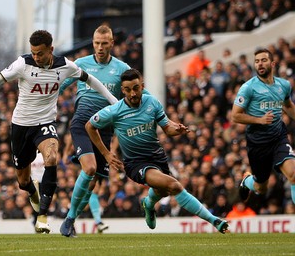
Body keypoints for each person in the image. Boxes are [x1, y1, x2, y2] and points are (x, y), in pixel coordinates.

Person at [60, 68, 229, 237]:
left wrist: (177, 130)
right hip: (136, 163)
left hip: (158, 157)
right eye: (127, 90)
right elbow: (90, 126)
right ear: (122, 91)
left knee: (162, 191)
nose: (132, 93)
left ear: (142, 86)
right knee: (174, 185)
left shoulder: (152, 102)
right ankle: (214, 220)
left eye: (135, 88)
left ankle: (148, 204)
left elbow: (167, 128)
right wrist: (106, 153)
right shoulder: (115, 111)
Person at [0, 30, 117, 233]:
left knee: (52, 158)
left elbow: (90, 80)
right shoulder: (23, 63)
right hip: (21, 125)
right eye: (33, 53)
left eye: (40, 53)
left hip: (45, 123)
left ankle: (42, 216)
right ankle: (32, 192)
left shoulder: (65, 66)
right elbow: (0, 77)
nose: (36, 57)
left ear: (51, 50)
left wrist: (114, 102)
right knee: (23, 181)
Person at [59, 25, 131, 233]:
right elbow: (61, 86)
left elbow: (134, 94)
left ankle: (71, 218)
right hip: (82, 122)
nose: (100, 47)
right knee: (89, 169)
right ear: (93, 43)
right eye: (96, 43)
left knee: (92, 184)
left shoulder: (121, 69)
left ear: (112, 43)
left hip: (105, 129)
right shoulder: (81, 64)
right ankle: (69, 221)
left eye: (104, 43)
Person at [232, 48, 295, 206]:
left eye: (263, 60)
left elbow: (288, 105)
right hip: (258, 142)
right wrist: (259, 120)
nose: (260, 64)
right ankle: (247, 181)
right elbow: (235, 115)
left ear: (272, 63)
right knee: (261, 188)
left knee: (293, 174)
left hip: (278, 137)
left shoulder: (284, 85)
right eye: (257, 61)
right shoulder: (248, 88)